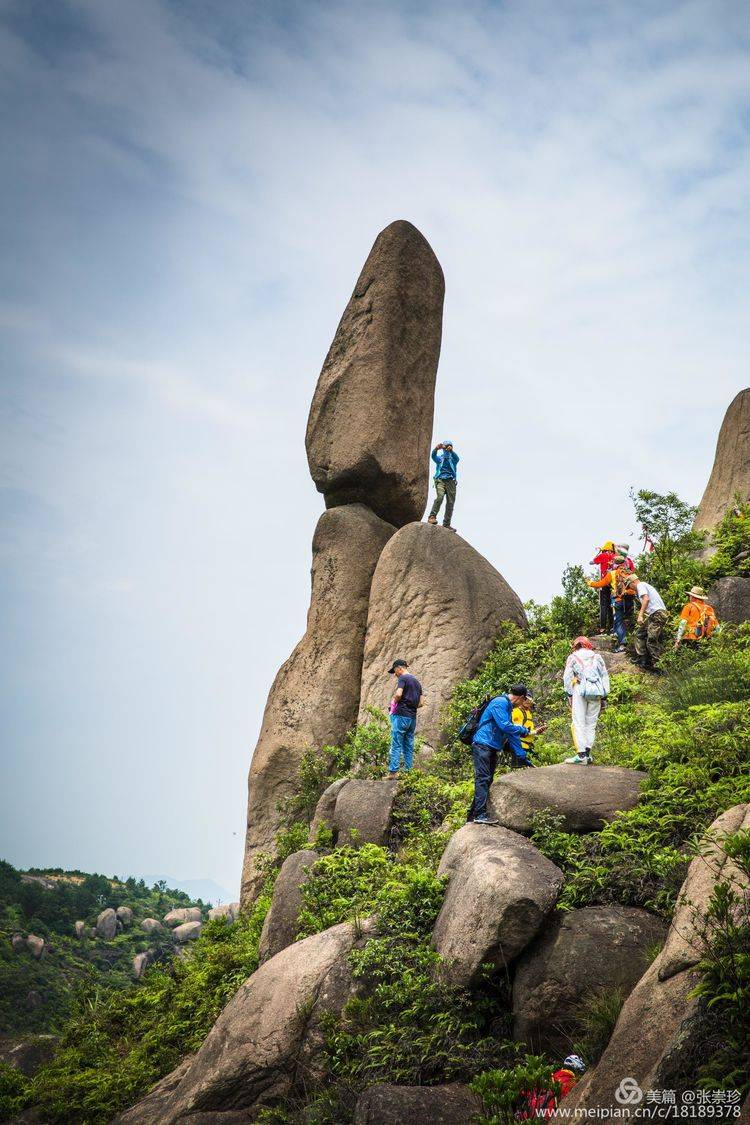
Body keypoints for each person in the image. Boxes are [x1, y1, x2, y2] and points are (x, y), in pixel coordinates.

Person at [469, 685, 532, 823]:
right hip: (482, 744)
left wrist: (521, 756)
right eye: (524, 700)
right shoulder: (500, 702)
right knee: (483, 779)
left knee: (487, 780)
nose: (523, 704)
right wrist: (524, 730)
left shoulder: (508, 707)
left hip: (491, 747)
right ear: (521, 697)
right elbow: (505, 726)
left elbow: (511, 734)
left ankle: (472, 816)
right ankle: (479, 815)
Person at [563, 636, 610, 765]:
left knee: (578, 722)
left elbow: (567, 677)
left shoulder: (573, 657)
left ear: (576, 646)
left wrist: (569, 693)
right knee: (591, 723)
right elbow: (604, 675)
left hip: (579, 689)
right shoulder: (597, 657)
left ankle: (581, 755)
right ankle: (588, 754)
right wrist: (604, 694)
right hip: (596, 691)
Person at [517, 1056, 587, 1120]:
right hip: (547, 1117)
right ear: (576, 1070)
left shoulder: (549, 1077)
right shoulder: (571, 1083)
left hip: (527, 1115)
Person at [386, 659, 423, 777]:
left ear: (399, 668)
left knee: (396, 743)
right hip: (412, 718)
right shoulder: (417, 682)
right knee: (408, 745)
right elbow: (421, 703)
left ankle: (393, 772)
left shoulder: (403, 678)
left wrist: (394, 702)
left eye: (395, 671)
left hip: (401, 715)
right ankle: (408, 773)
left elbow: (398, 694)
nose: (395, 674)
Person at [588, 556, 631, 652]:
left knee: (618, 622)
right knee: (627, 621)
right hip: (629, 600)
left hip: (618, 600)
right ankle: (628, 640)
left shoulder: (612, 573)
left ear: (615, 564)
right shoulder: (629, 573)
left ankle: (622, 644)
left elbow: (600, 584)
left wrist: (590, 583)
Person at [625, 576, 668, 671]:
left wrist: (640, 615)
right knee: (640, 634)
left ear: (633, 582)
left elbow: (646, 599)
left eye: (629, 586)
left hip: (658, 614)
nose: (631, 588)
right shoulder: (644, 586)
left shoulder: (640, 585)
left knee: (651, 640)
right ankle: (642, 660)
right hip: (654, 615)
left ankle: (660, 666)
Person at [427, 441, 459, 530]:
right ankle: (432, 517)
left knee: (450, 503)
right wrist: (436, 449)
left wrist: (451, 451)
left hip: (450, 481)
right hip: (440, 479)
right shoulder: (440, 459)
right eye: (446, 447)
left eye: (450, 446)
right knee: (440, 497)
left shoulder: (452, 459)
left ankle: (446, 524)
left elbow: (457, 459)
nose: (448, 448)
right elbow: (433, 456)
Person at [510, 694, 547, 767]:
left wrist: (537, 731)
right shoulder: (516, 711)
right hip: (520, 746)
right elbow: (517, 730)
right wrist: (535, 732)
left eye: (529, 700)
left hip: (528, 746)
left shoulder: (528, 712)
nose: (527, 701)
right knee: (520, 769)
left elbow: (528, 729)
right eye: (525, 699)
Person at [590, 541, 616, 632]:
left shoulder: (603, 555)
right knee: (611, 605)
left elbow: (591, 561)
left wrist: (598, 552)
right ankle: (612, 627)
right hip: (613, 585)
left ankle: (603, 628)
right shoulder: (615, 556)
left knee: (603, 605)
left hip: (604, 583)